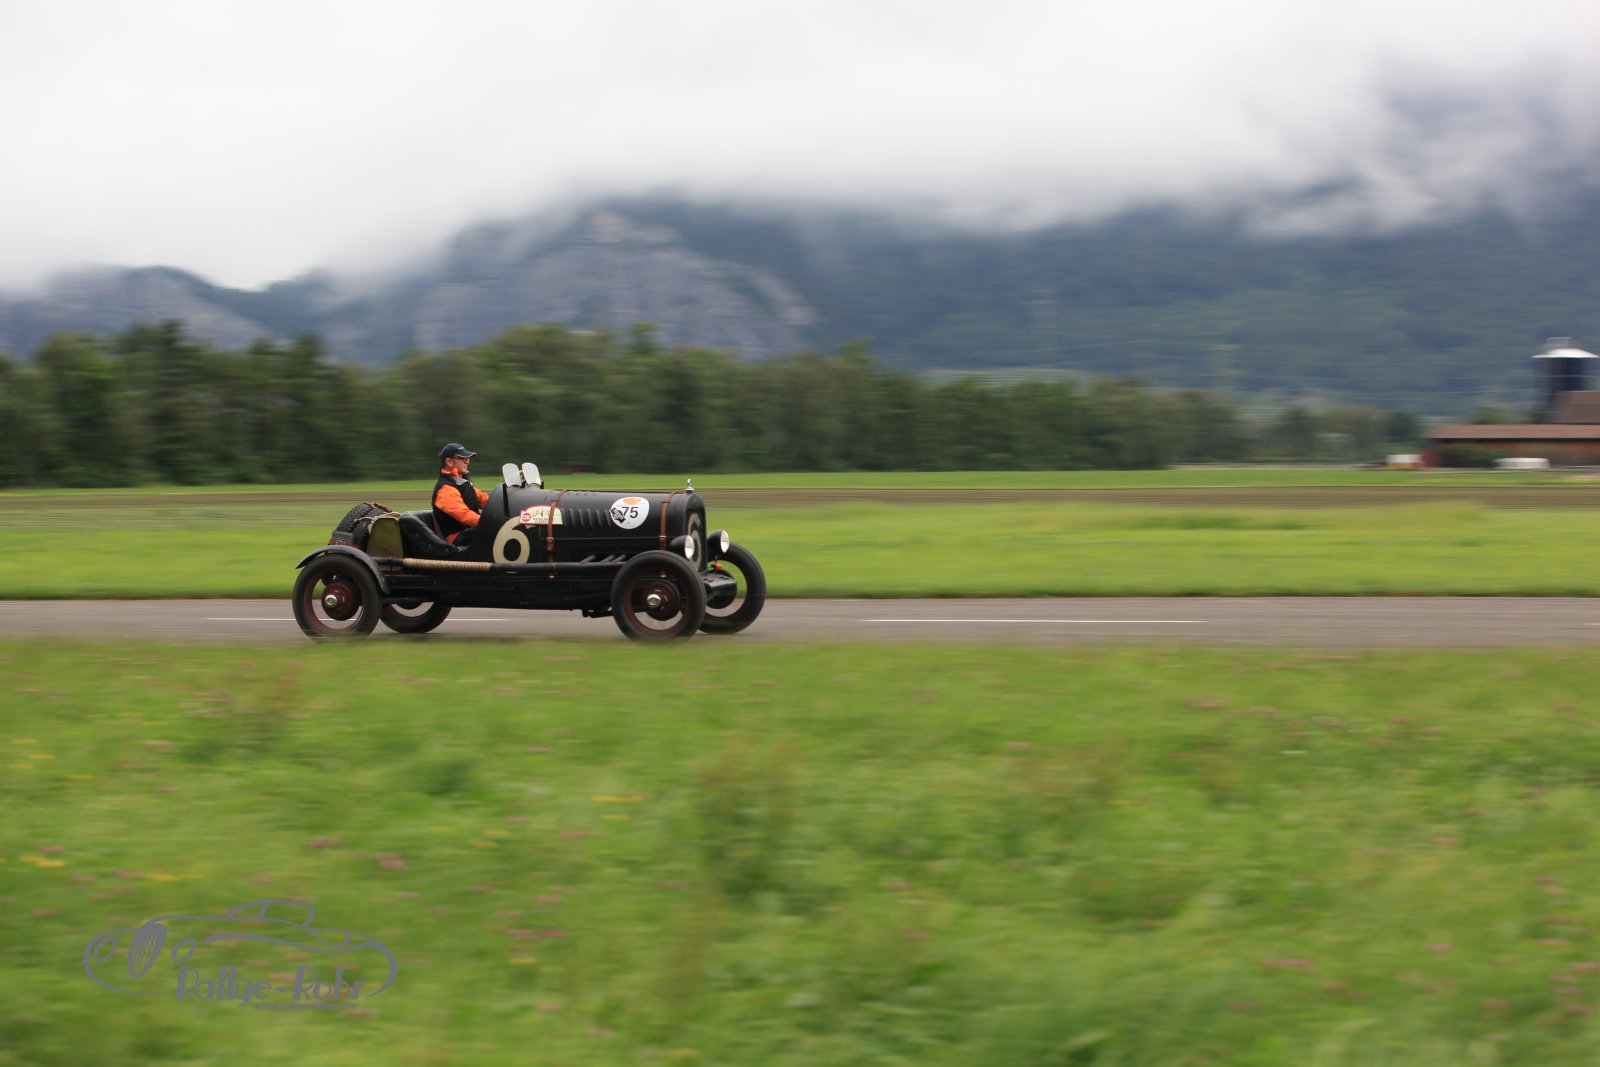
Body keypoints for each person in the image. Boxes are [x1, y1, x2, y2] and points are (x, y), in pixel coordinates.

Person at [433, 443, 490, 546]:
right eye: (462, 458)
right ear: (449, 462)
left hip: (469, 530)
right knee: (493, 530)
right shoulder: (445, 489)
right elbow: (464, 515)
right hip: (456, 538)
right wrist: (490, 522)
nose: (467, 461)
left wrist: (503, 504)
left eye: (467, 458)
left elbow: (485, 500)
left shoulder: (462, 482)